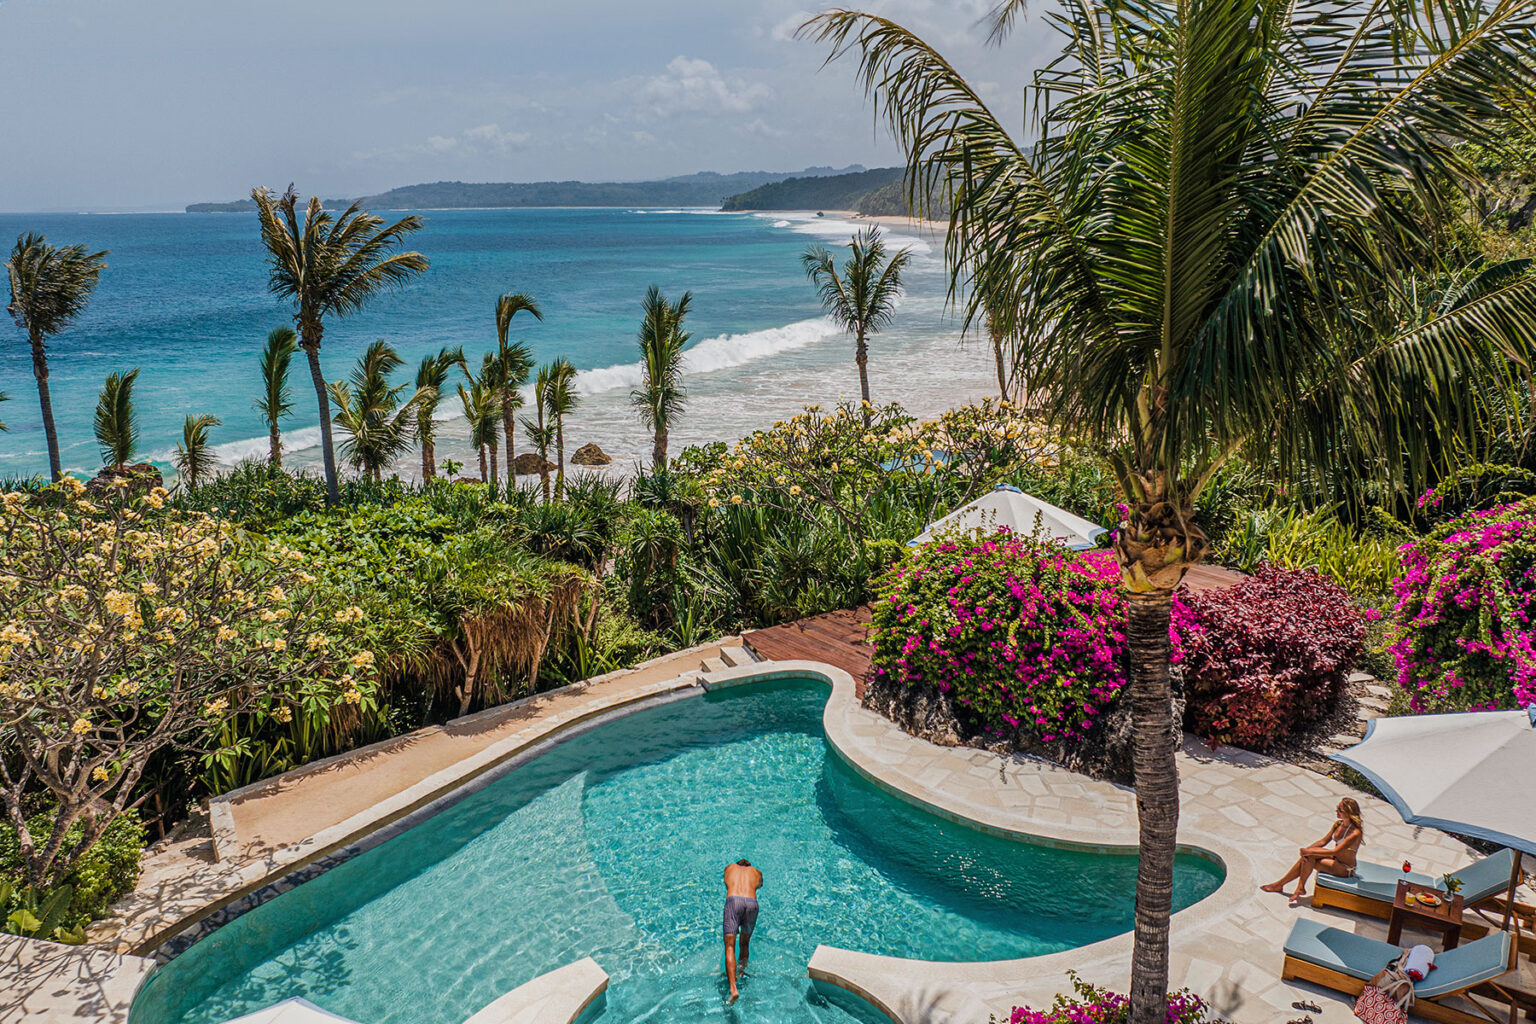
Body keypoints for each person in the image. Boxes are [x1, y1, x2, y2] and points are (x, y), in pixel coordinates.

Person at [1261, 797, 1365, 904]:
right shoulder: (1339, 825)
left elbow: (1335, 851)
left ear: (1348, 813)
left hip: (1345, 868)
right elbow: (1322, 842)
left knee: (1310, 857)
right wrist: (1308, 850)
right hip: (1335, 859)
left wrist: (1309, 852)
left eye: (1340, 810)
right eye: (1337, 807)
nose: (1336, 811)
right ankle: (1290, 886)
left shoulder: (1355, 833)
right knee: (1307, 857)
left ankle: (1288, 886)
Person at [722, 858, 763, 1004]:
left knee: (730, 946)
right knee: (744, 943)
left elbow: (726, 881)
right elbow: (759, 884)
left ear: (737, 864)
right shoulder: (756, 872)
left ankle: (733, 988)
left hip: (733, 901)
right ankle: (740, 972)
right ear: (749, 866)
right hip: (752, 903)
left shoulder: (729, 868)